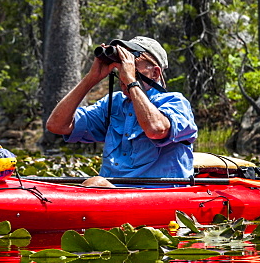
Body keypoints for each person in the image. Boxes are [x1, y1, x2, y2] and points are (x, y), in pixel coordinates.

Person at [45, 36, 197, 186]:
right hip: (113, 195)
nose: (124, 71)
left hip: (156, 199)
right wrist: (91, 78)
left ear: (155, 73)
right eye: (122, 65)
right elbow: (57, 125)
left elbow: (156, 130)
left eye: (132, 64)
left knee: (96, 184)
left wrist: (131, 80)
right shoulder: (113, 103)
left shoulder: (176, 102)